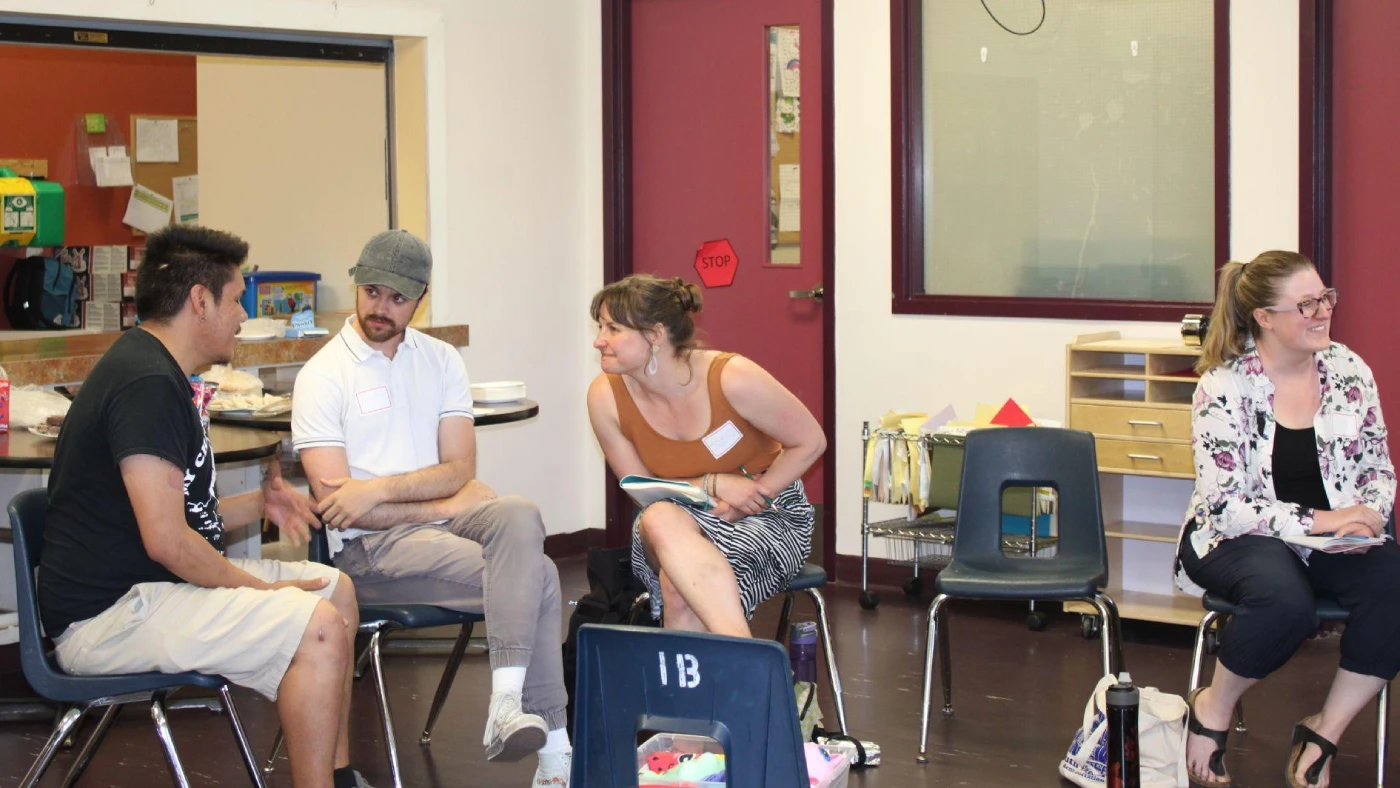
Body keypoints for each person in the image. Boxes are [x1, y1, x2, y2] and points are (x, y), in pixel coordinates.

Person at [38, 225, 369, 788]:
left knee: (335, 590)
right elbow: (166, 541)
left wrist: (258, 506)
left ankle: (338, 776)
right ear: (199, 301)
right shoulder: (145, 382)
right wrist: (262, 594)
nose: (242, 316)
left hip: (150, 591)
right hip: (107, 619)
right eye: (237, 298)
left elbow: (176, 515)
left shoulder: (157, 370)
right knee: (316, 626)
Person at [291, 230, 571, 788]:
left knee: (518, 510)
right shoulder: (322, 376)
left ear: (420, 298)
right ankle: (554, 754)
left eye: (398, 298)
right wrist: (431, 500)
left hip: (445, 525)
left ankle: (507, 704)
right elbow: (343, 511)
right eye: (372, 291)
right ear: (357, 284)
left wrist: (376, 488)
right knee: (538, 575)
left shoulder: (440, 360)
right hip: (371, 554)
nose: (381, 308)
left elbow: (459, 467)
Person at [1175, 251, 1396, 788]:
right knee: (1284, 600)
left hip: (1330, 537)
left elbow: (1378, 463)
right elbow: (1226, 504)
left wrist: (1369, 515)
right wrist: (1326, 519)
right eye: (1306, 304)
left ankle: (1324, 730)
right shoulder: (1222, 387)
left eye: (1325, 298)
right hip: (1234, 536)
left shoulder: (1349, 370)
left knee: (1395, 583)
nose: (1322, 312)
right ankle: (1213, 706)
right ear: (1265, 319)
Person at [586, 274, 826, 637]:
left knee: (679, 589)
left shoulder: (732, 377)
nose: (599, 340)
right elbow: (641, 488)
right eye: (601, 326)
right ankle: (749, 662)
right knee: (660, 518)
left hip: (765, 510)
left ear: (655, 335)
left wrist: (752, 495)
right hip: (673, 518)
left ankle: (711, 680)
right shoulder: (604, 396)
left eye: (614, 328)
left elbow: (810, 441)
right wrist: (713, 483)